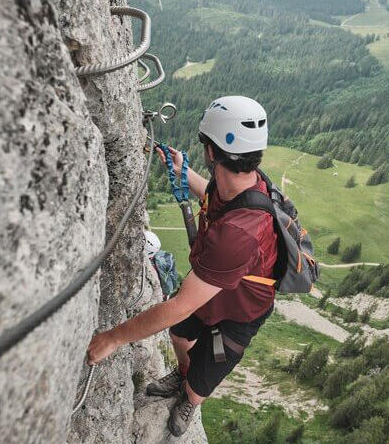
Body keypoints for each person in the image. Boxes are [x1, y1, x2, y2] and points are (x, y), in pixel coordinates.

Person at [86, 95, 277, 436]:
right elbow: (215, 196)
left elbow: (178, 306)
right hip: (216, 285)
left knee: (202, 379)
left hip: (241, 310)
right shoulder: (243, 180)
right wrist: (182, 174)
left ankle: (190, 397)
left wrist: (113, 338)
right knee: (179, 335)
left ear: (212, 152)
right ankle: (184, 375)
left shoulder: (239, 233)